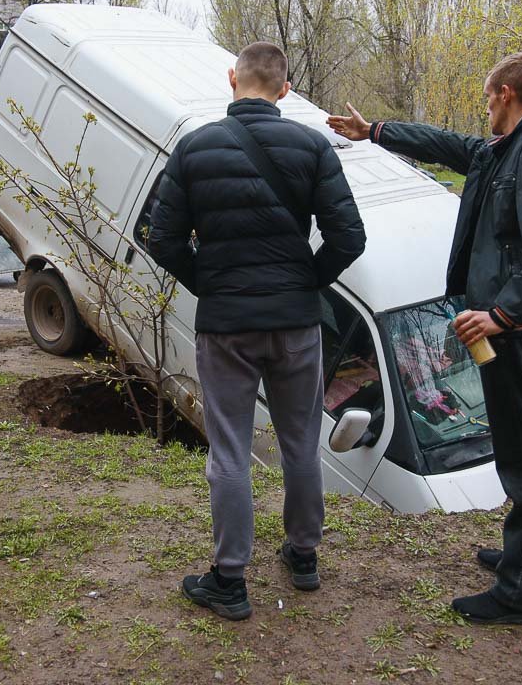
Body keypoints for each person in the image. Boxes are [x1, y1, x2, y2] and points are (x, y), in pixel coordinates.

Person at [328, 50, 522, 626]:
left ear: (508, 92)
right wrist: (376, 133)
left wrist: (502, 317)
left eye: (489, 95)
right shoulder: (505, 149)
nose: (485, 105)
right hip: (499, 329)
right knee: (518, 451)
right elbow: (449, 145)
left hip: (513, 335)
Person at [148, 42, 366, 620]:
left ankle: (229, 579)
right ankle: (303, 555)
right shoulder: (313, 145)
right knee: (300, 441)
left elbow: (161, 240)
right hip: (297, 324)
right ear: (285, 90)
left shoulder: (193, 149)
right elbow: (349, 239)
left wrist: (214, 285)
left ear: (232, 79)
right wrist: (303, 285)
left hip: (227, 327)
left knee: (230, 451)